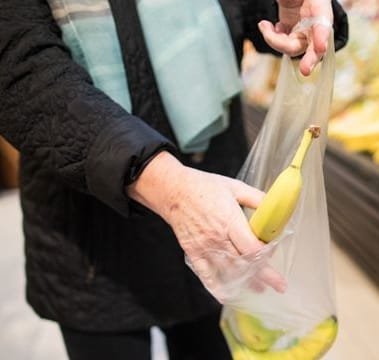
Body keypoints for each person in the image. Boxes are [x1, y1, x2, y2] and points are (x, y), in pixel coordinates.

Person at [0, 0, 348, 359]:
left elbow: (249, 10)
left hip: (215, 209)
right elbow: (18, 65)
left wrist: (287, 11)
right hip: (92, 233)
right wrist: (171, 189)